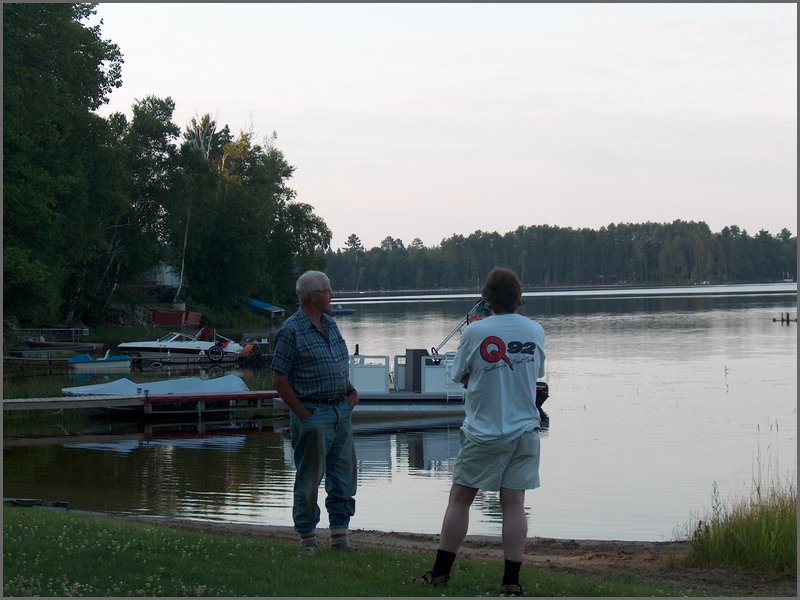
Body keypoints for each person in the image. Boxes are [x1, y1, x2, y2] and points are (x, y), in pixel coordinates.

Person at [413, 267, 546, 595]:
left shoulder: (475, 332)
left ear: (487, 297)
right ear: (518, 296)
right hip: (526, 429)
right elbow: (535, 375)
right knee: (514, 503)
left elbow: (461, 374)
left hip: (484, 431)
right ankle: (511, 581)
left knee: (460, 499)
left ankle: (441, 573)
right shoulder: (535, 331)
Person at [271, 270, 359, 553]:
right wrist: (303, 414)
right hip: (313, 414)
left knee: (343, 477)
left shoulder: (331, 325)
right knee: (309, 479)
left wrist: (350, 391)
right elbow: (279, 379)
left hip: (340, 412)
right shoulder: (291, 330)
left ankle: (339, 538)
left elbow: (335, 363)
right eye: (328, 290)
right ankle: (307, 539)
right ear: (313, 296)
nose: (333, 295)